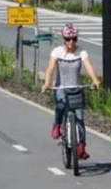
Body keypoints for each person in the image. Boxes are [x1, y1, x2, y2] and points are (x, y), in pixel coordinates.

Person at [41, 23, 101, 160]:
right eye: (68, 39)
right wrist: (46, 83)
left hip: (76, 88)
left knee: (80, 118)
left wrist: (95, 80)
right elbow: (50, 69)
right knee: (61, 106)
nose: (71, 42)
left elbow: (89, 67)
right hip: (61, 87)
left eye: (74, 38)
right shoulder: (57, 52)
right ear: (63, 39)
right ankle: (57, 124)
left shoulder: (81, 52)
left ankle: (81, 147)